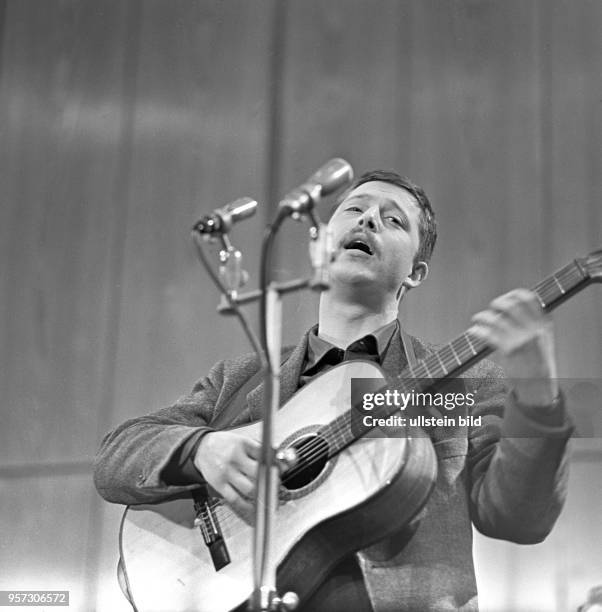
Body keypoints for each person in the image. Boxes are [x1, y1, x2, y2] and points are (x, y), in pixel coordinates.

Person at [94, 170, 573, 611]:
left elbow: (518, 517)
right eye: (355, 208)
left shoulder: (463, 385)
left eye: (393, 220)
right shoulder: (242, 377)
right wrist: (202, 450)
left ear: (416, 272)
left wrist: (538, 393)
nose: (369, 219)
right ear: (320, 246)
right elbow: (116, 459)